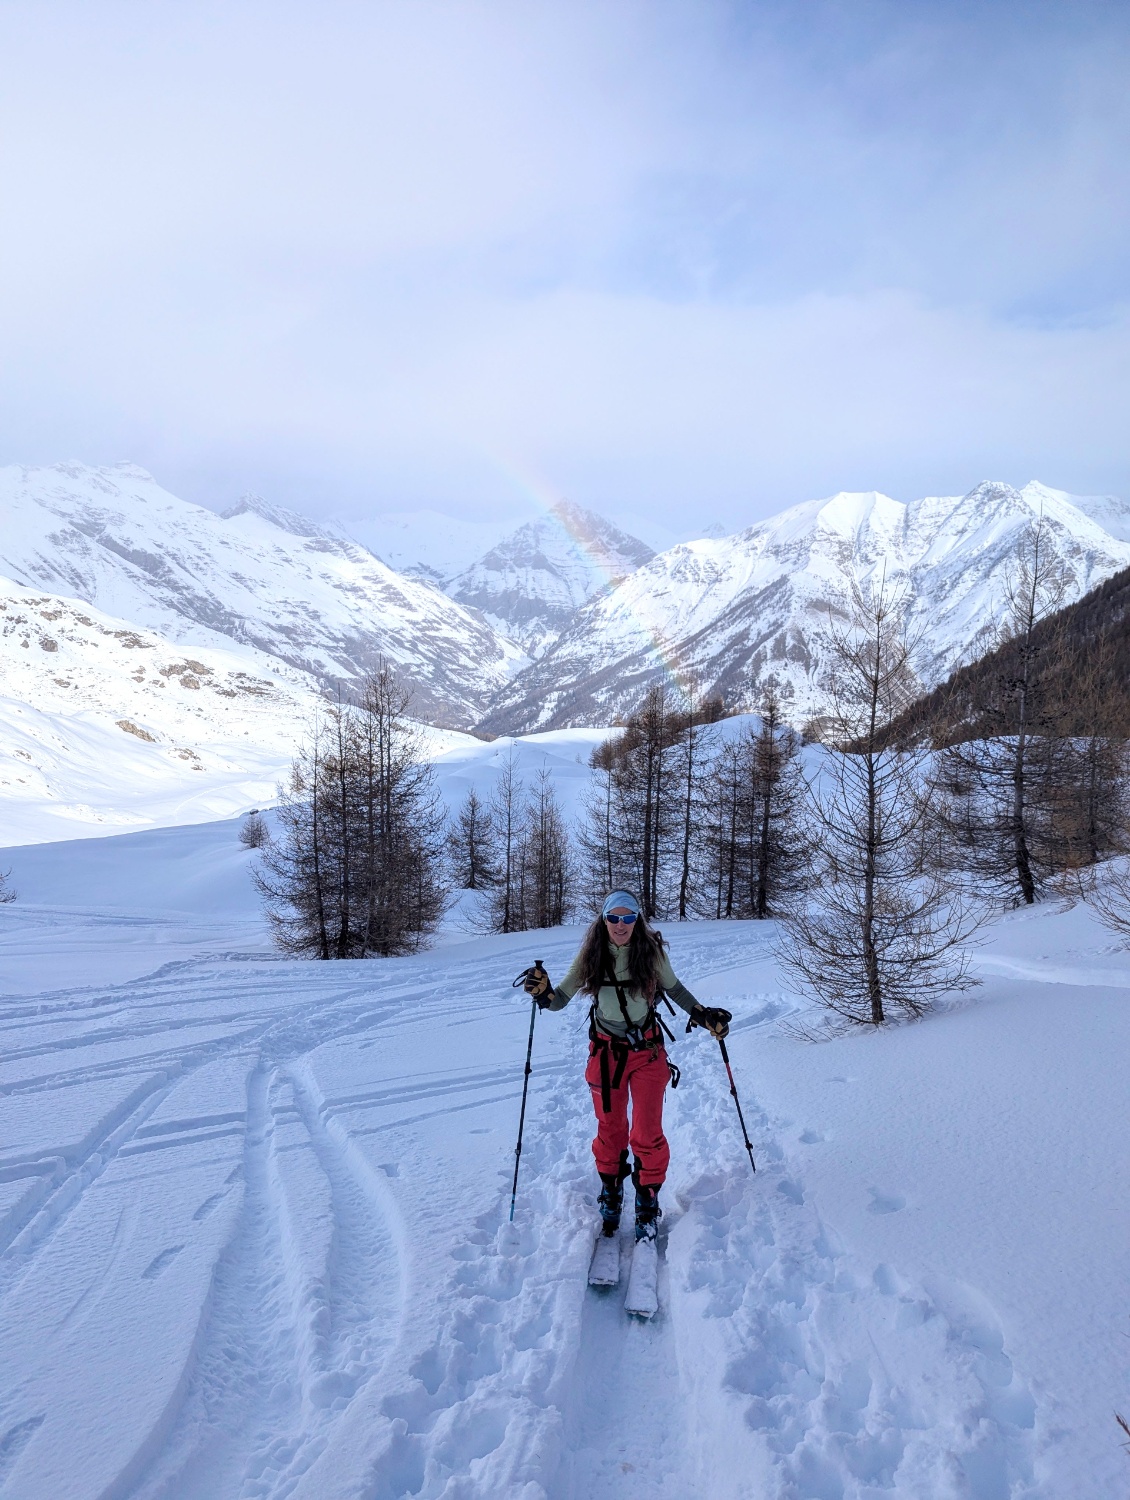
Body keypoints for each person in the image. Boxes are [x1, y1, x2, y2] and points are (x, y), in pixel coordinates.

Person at [523, 890, 731, 1243]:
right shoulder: (591, 955)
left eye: (629, 918)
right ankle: (612, 1190)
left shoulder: (651, 953)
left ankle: (647, 1201)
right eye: (614, 918)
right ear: (604, 920)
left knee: (647, 1132)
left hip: (647, 1052)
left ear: (638, 920)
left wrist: (703, 1015)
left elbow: (675, 990)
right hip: (606, 1054)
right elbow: (559, 999)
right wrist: (541, 994)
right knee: (611, 1129)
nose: (621, 925)